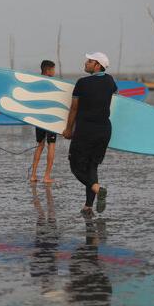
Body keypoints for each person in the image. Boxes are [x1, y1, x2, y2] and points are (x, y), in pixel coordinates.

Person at [62, 53, 117, 216]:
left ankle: (98, 189)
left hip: (85, 131)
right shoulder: (110, 81)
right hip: (105, 130)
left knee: (75, 165)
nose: (86, 63)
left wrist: (68, 129)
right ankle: (88, 206)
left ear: (98, 65)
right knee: (92, 166)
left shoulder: (82, 83)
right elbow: (115, 96)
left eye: (90, 61)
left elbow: (74, 108)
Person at [30, 60, 57, 183]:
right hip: (50, 118)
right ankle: (46, 176)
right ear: (48, 70)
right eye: (53, 69)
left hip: (39, 118)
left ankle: (33, 175)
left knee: (39, 145)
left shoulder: (36, 82)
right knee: (51, 145)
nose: (54, 72)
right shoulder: (53, 83)